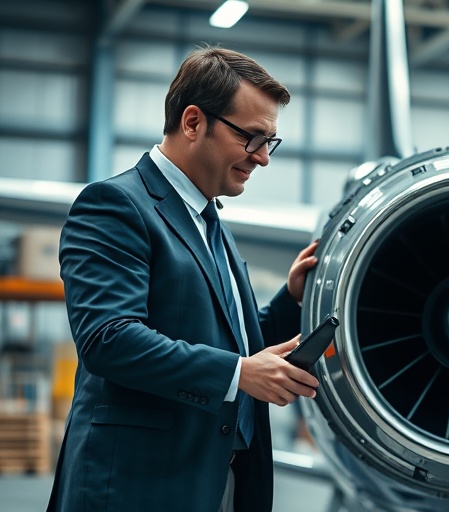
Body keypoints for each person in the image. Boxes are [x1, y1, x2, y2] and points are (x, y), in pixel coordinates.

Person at [47, 46, 321, 512]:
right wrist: (237, 374)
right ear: (193, 122)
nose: (263, 159)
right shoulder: (115, 206)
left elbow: (227, 340)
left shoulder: (209, 218)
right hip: (141, 487)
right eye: (251, 139)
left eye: (269, 143)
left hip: (217, 482)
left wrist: (290, 299)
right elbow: (109, 339)